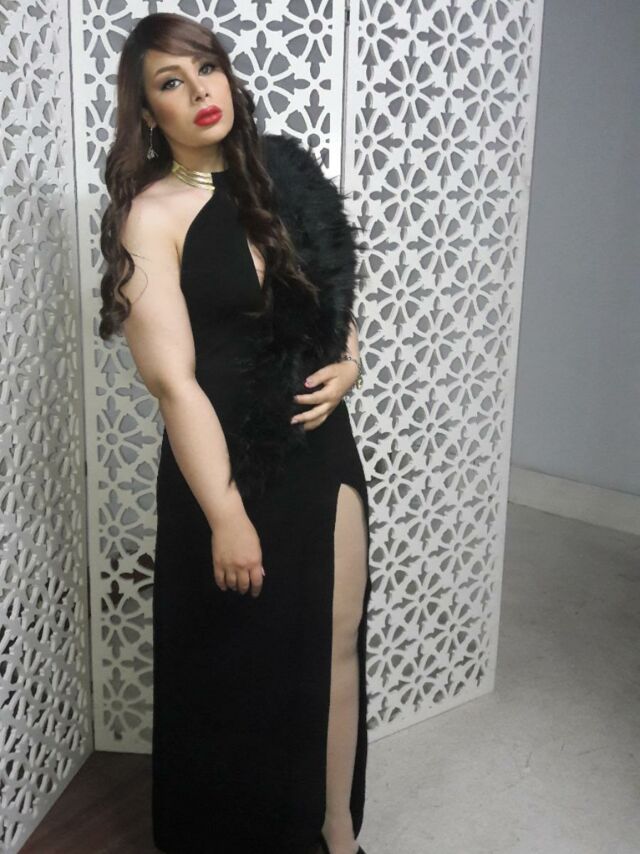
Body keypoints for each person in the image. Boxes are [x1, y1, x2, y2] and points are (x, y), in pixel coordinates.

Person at [98, 12, 371, 854]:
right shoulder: (152, 215)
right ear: (148, 112)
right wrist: (225, 515)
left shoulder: (285, 174)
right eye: (170, 82)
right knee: (236, 668)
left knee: (336, 645)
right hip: (221, 468)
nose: (198, 91)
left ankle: (336, 834)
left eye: (205, 68)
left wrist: (351, 361)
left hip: (320, 448)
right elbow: (173, 383)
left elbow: (329, 292)